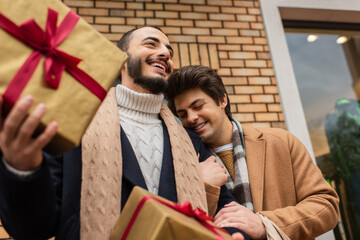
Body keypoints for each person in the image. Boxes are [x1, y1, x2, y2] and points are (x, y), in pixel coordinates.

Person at [0, 27, 246, 240]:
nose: (166, 54)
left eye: (170, 51)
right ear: (122, 61)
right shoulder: (78, 122)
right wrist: (22, 168)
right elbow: (32, 229)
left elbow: (228, 211)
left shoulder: (191, 142)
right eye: (151, 43)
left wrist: (241, 230)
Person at [166, 65, 340, 240]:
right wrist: (201, 185)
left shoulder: (280, 142)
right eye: (183, 114)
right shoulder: (184, 162)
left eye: (198, 106)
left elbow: (326, 205)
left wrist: (265, 224)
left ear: (222, 101)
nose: (191, 117)